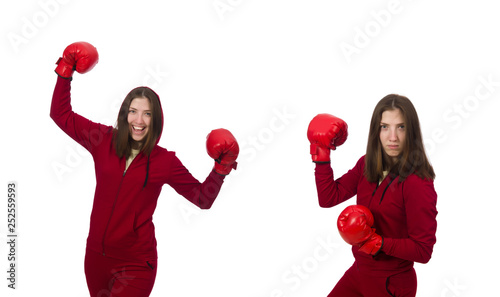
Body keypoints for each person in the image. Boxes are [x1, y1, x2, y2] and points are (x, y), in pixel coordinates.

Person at [50, 42, 239, 297]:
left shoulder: (165, 162)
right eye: (133, 112)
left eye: (147, 114)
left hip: (136, 263)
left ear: (155, 120)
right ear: (124, 114)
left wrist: (221, 168)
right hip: (95, 257)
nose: (138, 121)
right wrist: (66, 69)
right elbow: (60, 114)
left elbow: (202, 198)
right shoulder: (102, 139)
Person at [307, 95, 437, 297]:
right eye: (385, 127)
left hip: (391, 283)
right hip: (359, 273)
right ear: (376, 130)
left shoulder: (417, 182)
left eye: (400, 127)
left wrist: (377, 242)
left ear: (411, 132)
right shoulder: (366, 164)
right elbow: (328, 198)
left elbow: (423, 250)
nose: (392, 137)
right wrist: (321, 154)